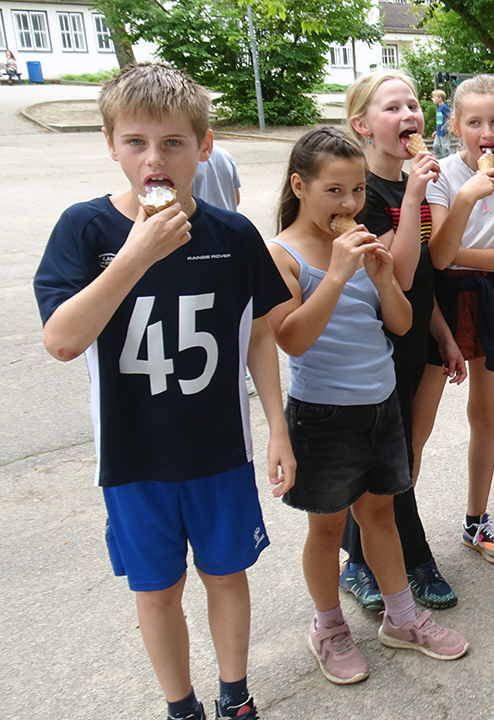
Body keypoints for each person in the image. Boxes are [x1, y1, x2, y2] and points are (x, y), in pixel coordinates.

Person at [33, 62, 295, 720]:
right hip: (134, 460)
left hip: (217, 452)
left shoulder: (231, 234)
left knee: (226, 575)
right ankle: (181, 707)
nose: (155, 158)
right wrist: (134, 257)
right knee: (156, 589)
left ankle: (235, 696)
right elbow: (62, 341)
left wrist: (279, 431)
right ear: (111, 145)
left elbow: (259, 334)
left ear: (203, 147)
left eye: (173, 143)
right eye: (137, 143)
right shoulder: (86, 230)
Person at [265, 127, 469, 686]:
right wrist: (336, 273)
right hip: (323, 414)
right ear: (299, 186)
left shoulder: (365, 238)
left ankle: (401, 617)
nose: (350, 204)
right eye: (334, 191)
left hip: (380, 404)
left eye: (356, 190)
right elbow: (292, 339)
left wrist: (382, 280)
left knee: (380, 514)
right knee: (327, 530)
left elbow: (402, 326)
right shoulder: (282, 254)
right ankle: (328, 626)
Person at [336, 70, 466, 613]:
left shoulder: (419, 182)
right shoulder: (357, 193)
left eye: (413, 105)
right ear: (362, 125)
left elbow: (429, 279)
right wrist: (414, 194)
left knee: (406, 458)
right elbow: (400, 274)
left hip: (420, 338)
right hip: (377, 346)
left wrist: (444, 334)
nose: (409, 115)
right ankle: (406, 559)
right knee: (385, 462)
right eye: (392, 108)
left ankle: (366, 557)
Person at [425, 74, 494, 564]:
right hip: (442, 306)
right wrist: (468, 197)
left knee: (485, 415)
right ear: (455, 126)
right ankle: (388, 531)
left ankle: (476, 520)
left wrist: (459, 257)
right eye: (474, 121)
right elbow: (437, 259)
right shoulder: (441, 175)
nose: (485, 129)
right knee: (418, 424)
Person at [192, 142, 241, 212]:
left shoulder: (186, 159)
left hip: (201, 220)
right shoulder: (225, 155)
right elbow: (236, 199)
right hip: (226, 218)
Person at [431, 89, 453, 158]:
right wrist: (436, 130)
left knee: (445, 148)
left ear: (440, 98)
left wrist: (449, 127)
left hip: (443, 131)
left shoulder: (444, 107)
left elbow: (451, 116)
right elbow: (440, 121)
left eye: (434, 97)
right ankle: (442, 159)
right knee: (436, 146)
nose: (432, 99)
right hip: (439, 131)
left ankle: (449, 160)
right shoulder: (439, 108)